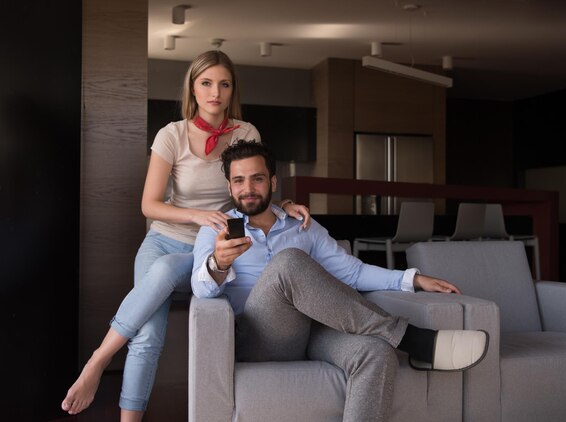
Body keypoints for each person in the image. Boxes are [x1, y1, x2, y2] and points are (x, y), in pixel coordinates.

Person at [61, 50, 311, 421]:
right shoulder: (172, 135)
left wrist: (284, 203)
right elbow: (149, 205)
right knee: (147, 337)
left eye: (224, 84)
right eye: (206, 83)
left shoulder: (246, 133)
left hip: (208, 249)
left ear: (232, 90)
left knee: (164, 272)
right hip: (164, 240)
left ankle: (99, 356)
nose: (216, 92)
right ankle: (101, 374)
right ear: (192, 89)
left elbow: (255, 186)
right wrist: (197, 214)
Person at [191, 140, 489, 422]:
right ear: (230, 187)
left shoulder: (302, 225)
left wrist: (413, 279)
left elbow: (352, 272)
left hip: (312, 332)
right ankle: (413, 339)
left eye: (257, 179)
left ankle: (399, 340)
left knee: (377, 352)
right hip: (259, 339)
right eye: (239, 181)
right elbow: (201, 290)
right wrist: (219, 263)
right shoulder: (215, 230)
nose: (248, 189)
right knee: (289, 262)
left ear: (273, 182)